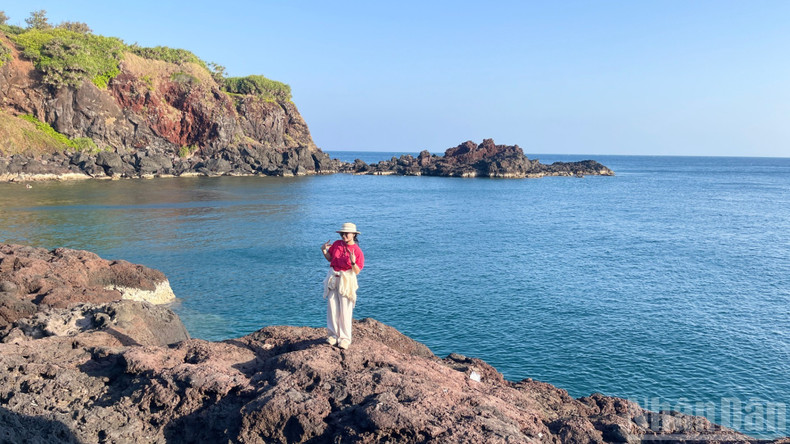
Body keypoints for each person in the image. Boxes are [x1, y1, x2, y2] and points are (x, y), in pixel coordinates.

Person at [321, 222, 364, 350]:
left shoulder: (357, 251)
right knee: (332, 307)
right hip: (333, 277)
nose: (344, 235)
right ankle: (333, 335)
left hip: (346, 279)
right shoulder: (337, 244)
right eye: (342, 233)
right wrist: (324, 249)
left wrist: (353, 262)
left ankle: (345, 338)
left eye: (346, 233)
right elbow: (330, 259)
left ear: (353, 235)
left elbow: (357, 271)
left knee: (345, 309)